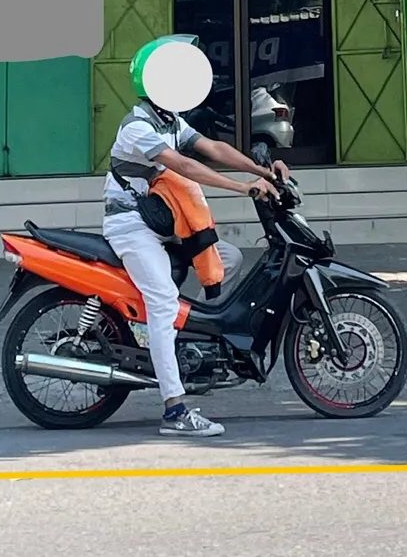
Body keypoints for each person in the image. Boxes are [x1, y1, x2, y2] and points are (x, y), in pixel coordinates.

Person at [106, 36, 287, 440]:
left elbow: (214, 148)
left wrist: (262, 172)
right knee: (163, 303)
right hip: (132, 226)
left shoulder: (170, 121)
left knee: (229, 258)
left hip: (164, 224)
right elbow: (185, 166)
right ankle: (174, 409)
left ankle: (190, 339)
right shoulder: (138, 126)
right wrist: (242, 189)